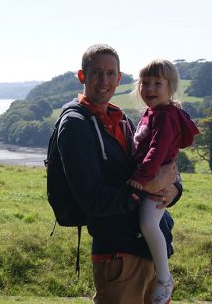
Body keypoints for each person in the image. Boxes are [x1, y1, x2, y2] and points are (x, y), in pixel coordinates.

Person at [57, 44, 182, 304]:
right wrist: (144, 188)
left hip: (149, 252)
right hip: (117, 255)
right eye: (96, 73)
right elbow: (93, 200)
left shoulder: (121, 119)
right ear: (82, 76)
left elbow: (157, 163)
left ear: (119, 78)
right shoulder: (75, 125)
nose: (104, 81)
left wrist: (174, 189)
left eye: (110, 73)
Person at [127, 59, 199, 304]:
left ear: (171, 88)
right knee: (146, 224)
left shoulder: (165, 117)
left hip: (154, 182)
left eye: (158, 83)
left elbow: (156, 151)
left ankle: (164, 279)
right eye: (145, 82)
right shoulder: (151, 113)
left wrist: (140, 178)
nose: (150, 88)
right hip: (152, 179)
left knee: (148, 223)